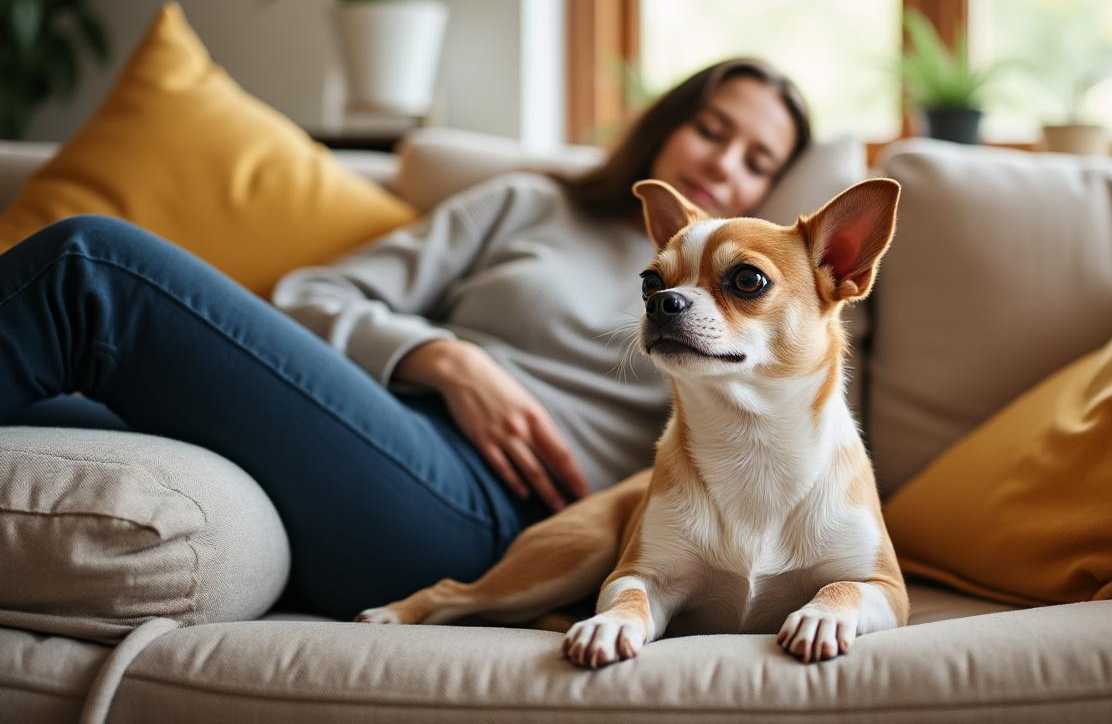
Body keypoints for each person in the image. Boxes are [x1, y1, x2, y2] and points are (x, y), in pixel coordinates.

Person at [0, 58, 812, 619]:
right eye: (712, 130)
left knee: (93, 268)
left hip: (494, 515)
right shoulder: (526, 205)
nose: (725, 165)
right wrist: (446, 360)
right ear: (668, 125)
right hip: (357, 425)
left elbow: (791, 449)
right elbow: (311, 295)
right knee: (54, 416)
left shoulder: (759, 305)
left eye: (757, 160)